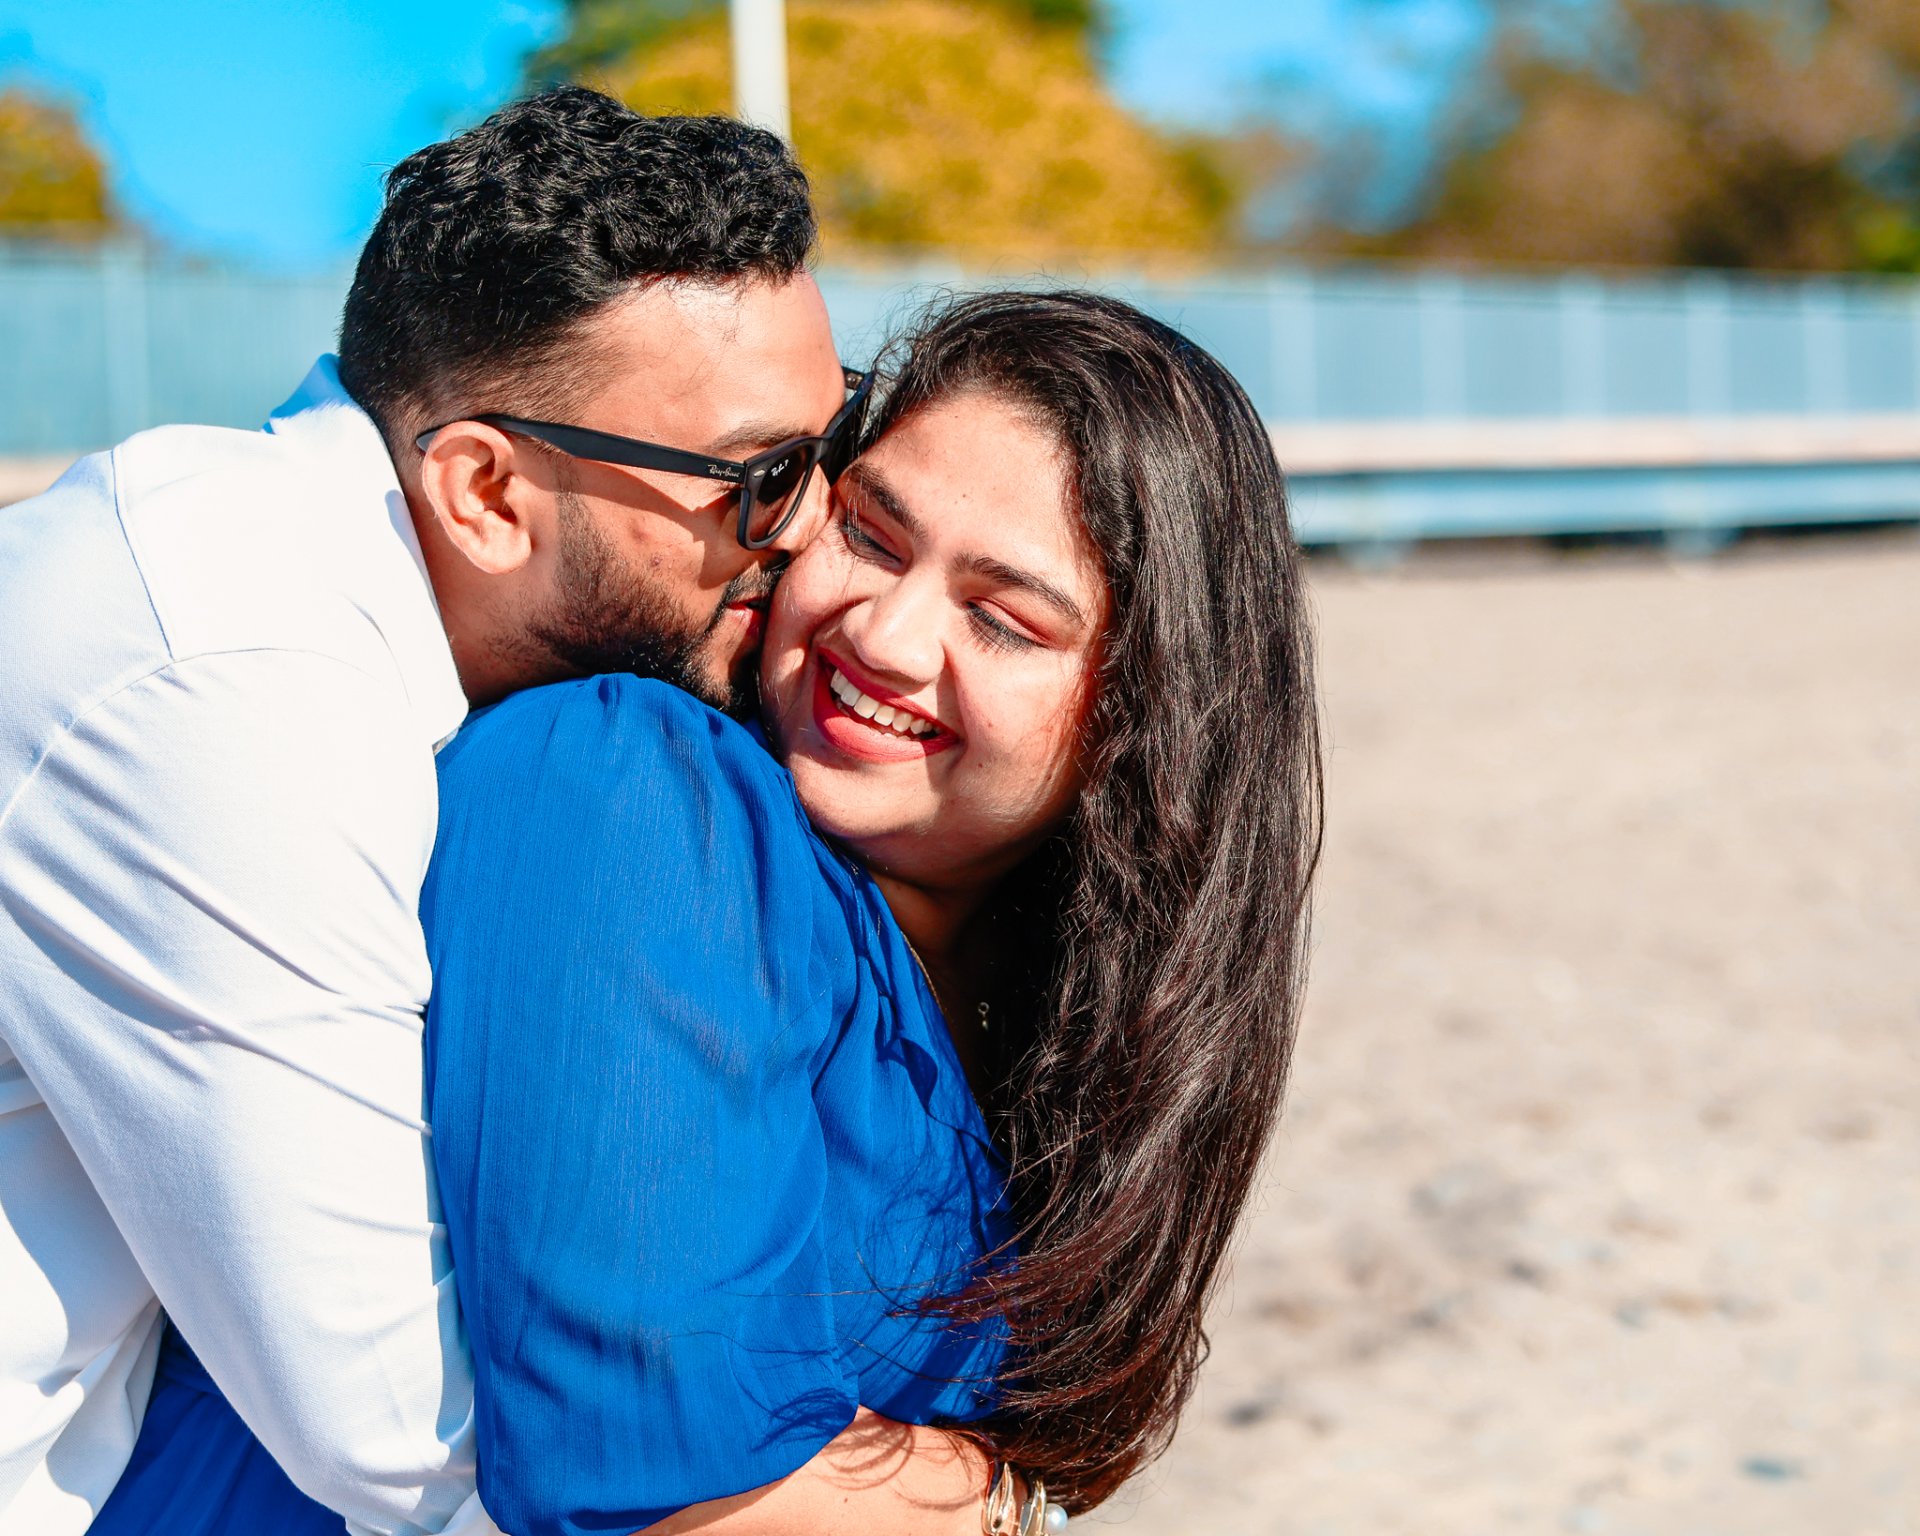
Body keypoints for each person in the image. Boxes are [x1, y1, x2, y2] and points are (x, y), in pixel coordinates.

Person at [93, 289, 1324, 1534]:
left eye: (1001, 619)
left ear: (1147, 722)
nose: (887, 636)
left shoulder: (1029, 1025)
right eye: (875, 538)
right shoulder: (633, 780)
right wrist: (1007, 1509)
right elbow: (652, 1470)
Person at [0, 86, 855, 1536]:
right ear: (483, 493)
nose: (820, 524)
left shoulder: (309, 595)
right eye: (759, 478)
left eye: (841, 443)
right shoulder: (234, 677)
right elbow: (402, 1426)